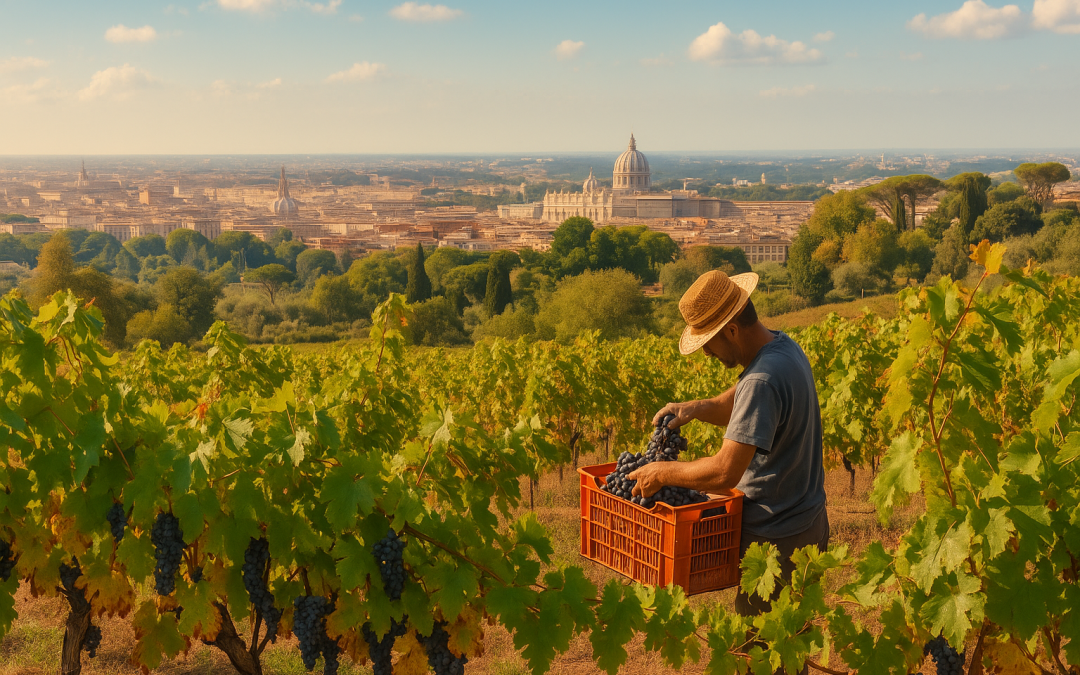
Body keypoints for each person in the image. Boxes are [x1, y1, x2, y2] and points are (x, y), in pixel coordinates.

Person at [628, 269, 828, 616]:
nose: (707, 353)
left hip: (776, 543)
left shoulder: (761, 380)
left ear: (732, 330)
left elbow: (724, 472)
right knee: (794, 640)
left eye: (708, 342)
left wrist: (660, 473)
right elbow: (738, 404)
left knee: (759, 646)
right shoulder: (782, 348)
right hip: (807, 524)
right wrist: (695, 408)